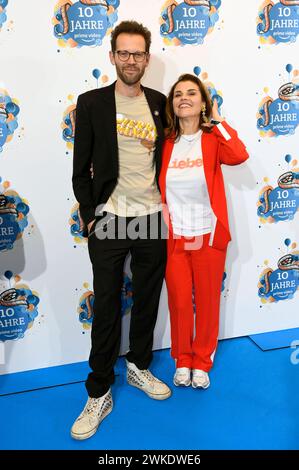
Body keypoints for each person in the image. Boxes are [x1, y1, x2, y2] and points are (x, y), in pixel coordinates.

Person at [71, 21, 171, 441]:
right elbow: (80, 170)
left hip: (151, 217)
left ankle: (139, 367)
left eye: (139, 53)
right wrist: (92, 214)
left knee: (147, 299)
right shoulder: (92, 102)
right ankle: (99, 391)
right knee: (108, 304)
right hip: (110, 218)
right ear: (112, 56)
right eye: (124, 53)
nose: (131, 60)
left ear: (147, 58)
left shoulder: (160, 103)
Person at [159, 74, 249, 390]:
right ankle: (182, 360)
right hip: (174, 237)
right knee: (180, 303)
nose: (184, 98)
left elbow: (239, 155)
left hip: (208, 236)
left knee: (208, 302)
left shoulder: (212, 139)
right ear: (172, 103)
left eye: (192, 93)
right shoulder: (166, 142)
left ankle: (202, 361)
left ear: (203, 102)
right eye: (178, 94)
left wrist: (219, 121)